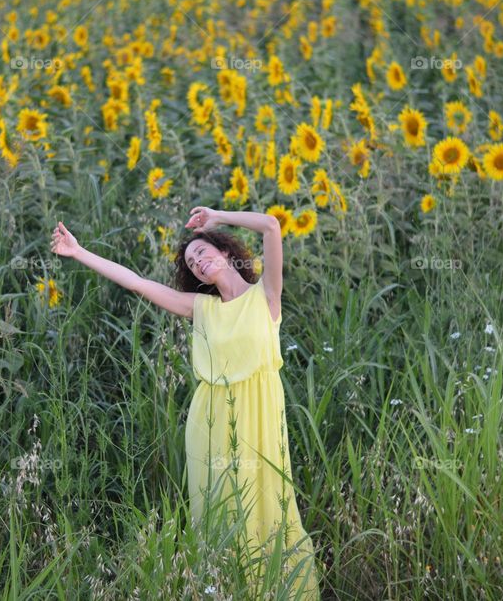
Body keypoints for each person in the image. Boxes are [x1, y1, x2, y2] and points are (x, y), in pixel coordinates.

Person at [50, 208, 320, 599]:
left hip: (260, 416)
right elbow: (138, 283)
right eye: (192, 263)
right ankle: (227, 588)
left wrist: (216, 216)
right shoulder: (200, 308)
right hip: (210, 422)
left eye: (203, 252)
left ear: (226, 252)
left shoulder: (266, 296)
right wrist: (79, 252)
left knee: (269, 502)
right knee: (222, 508)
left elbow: (271, 226)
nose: (198, 262)